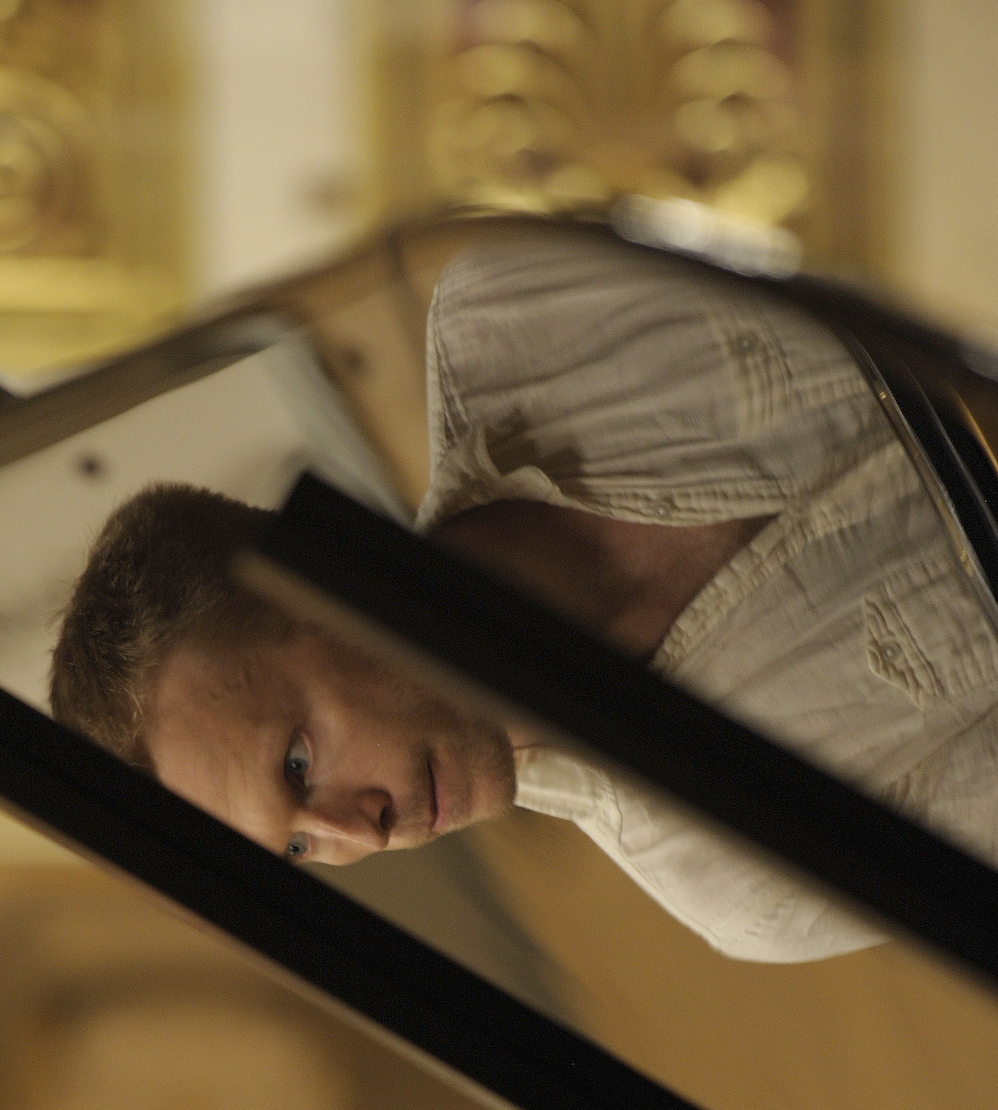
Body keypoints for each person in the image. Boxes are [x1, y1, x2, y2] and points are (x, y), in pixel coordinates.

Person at [49, 230, 998, 962]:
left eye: (297, 767)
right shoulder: (740, 876)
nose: (356, 833)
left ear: (321, 574)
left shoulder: (526, 303)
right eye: (298, 850)